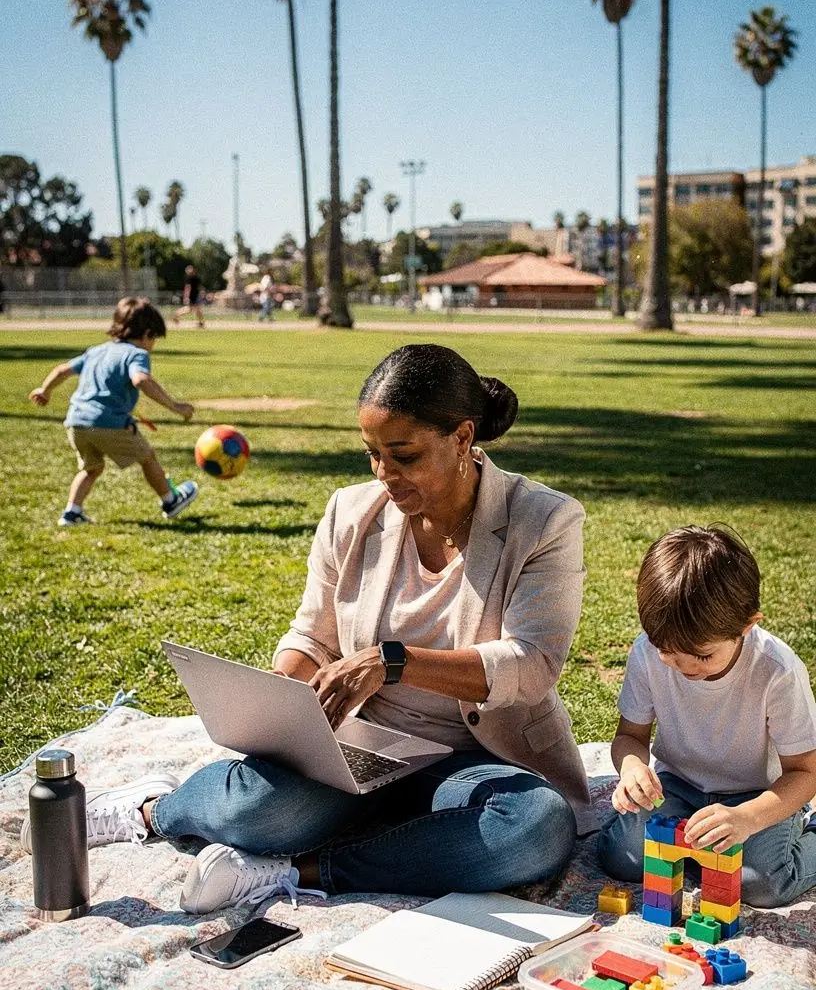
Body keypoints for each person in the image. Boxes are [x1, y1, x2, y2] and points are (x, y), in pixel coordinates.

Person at [52, 343, 596, 912]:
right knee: (253, 809)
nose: (384, 474)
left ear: (462, 438)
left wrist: (393, 661)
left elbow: (531, 666)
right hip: (357, 747)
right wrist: (281, 702)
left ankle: (294, 871)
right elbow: (313, 635)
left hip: (475, 759)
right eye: (372, 454)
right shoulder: (350, 513)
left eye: (403, 455)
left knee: (535, 828)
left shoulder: (545, 520)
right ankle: (152, 810)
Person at [598, 525, 816, 907]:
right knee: (622, 856)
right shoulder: (647, 653)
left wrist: (747, 818)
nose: (684, 666)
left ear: (747, 626)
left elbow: (805, 772)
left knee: (760, 884)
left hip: (759, 796)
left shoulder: (776, 670)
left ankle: (804, 831)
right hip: (678, 787)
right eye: (668, 651)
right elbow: (629, 736)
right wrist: (631, 768)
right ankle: (706, 852)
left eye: (701, 655)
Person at [28, 296, 199, 527]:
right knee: (147, 458)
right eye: (155, 338)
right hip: (110, 424)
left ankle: (71, 512)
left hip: (76, 422)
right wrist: (176, 406)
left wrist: (45, 390)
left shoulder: (96, 351)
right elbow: (141, 380)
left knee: (91, 468)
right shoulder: (137, 354)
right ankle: (170, 500)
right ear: (148, 334)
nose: (153, 344)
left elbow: (62, 370)